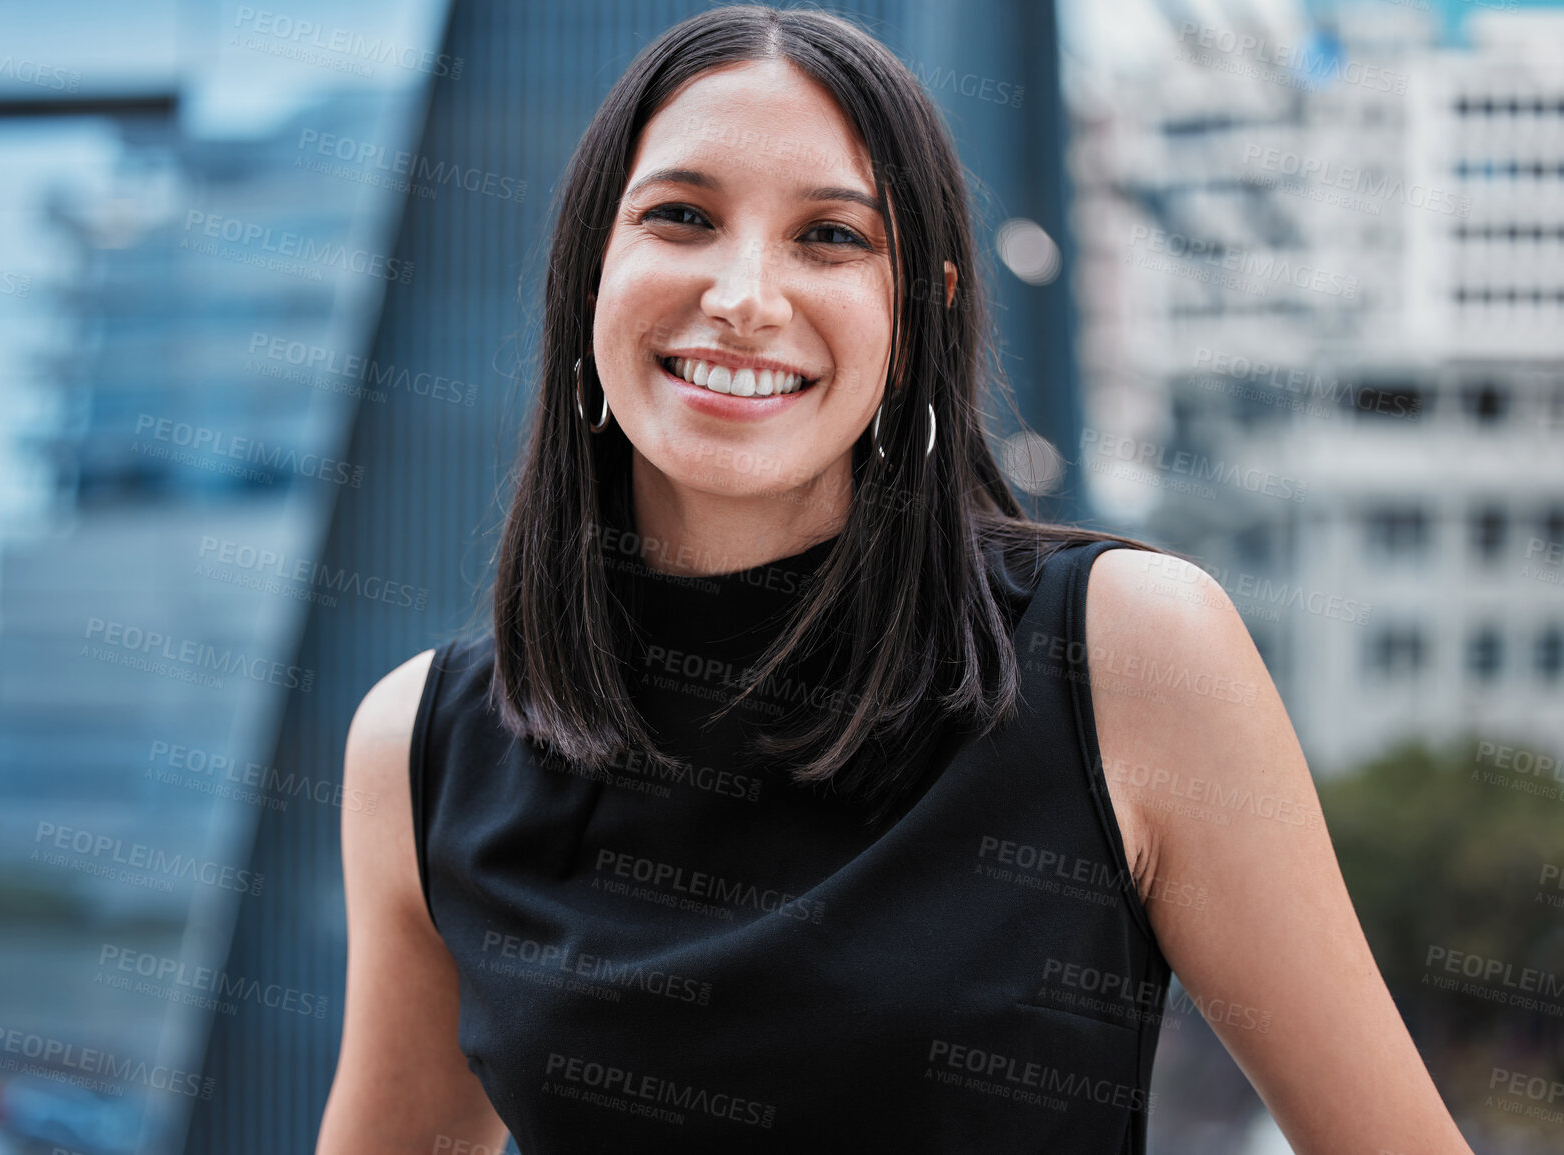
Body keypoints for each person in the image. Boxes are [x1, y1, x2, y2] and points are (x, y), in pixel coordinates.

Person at [316, 6, 1473, 1152]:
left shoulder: (1124, 655)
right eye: (681, 216)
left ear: (923, 314)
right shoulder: (420, 748)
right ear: (588, 276)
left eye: (831, 237)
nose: (745, 296)